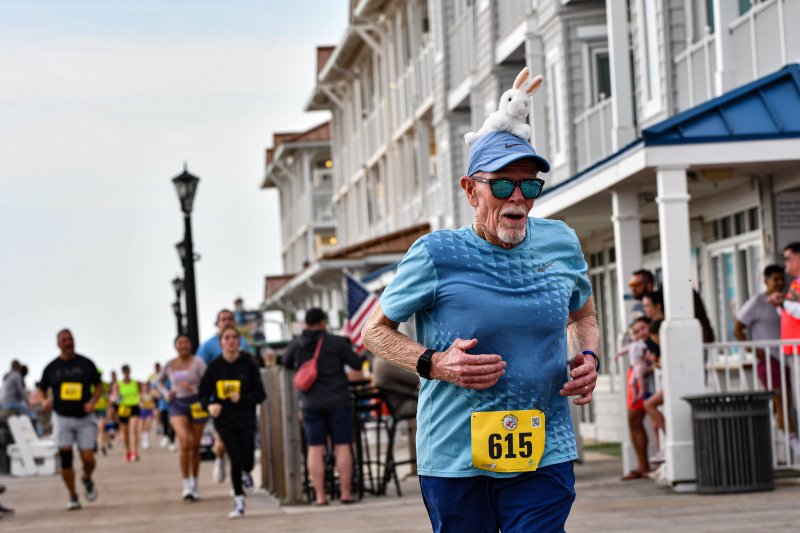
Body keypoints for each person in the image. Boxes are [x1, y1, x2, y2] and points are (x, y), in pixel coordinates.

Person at [362, 128, 599, 532]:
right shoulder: (437, 253)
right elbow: (374, 331)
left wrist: (588, 357)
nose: (518, 197)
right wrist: (434, 363)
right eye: (503, 184)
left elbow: (583, 317)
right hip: (456, 455)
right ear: (471, 191)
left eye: (530, 185)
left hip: (545, 448)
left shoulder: (561, 242)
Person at [282, 308, 363, 505]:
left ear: (306, 323)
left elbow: (284, 362)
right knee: (342, 445)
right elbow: (356, 364)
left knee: (315, 448)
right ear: (322, 322)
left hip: (311, 403)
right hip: (338, 400)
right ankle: (345, 493)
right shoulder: (335, 342)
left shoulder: (297, 344)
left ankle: (320, 496)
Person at [198, 325, 266, 519]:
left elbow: (260, 394)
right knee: (235, 459)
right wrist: (209, 407)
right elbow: (202, 394)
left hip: (245, 419)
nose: (231, 341)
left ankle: (247, 473)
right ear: (221, 343)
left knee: (248, 461)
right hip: (224, 421)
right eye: (227, 338)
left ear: (239, 341)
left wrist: (242, 397)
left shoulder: (248, 365)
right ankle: (239, 502)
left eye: (234, 337)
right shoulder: (214, 367)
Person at [38, 329, 102, 510]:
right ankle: (73, 495)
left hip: (84, 417)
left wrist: (93, 401)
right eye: (64, 340)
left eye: (70, 339)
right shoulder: (51, 368)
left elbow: (98, 385)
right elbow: (42, 388)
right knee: (65, 458)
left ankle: (87, 478)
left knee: (88, 458)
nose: (68, 343)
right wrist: (44, 401)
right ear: (58, 344)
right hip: (62, 417)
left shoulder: (86, 363)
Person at [196, 309, 250, 484]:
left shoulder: (244, 343)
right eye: (223, 319)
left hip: (240, 400)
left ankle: (242, 474)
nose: (227, 322)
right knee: (221, 442)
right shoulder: (208, 346)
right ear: (217, 323)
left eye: (230, 318)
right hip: (218, 401)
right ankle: (220, 458)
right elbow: (199, 371)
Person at [158, 334, 208, 501]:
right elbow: (158, 382)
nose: (183, 345)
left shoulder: (199, 363)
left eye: (186, 342)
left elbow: (208, 381)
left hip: (196, 404)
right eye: (180, 343)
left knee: (195, 445)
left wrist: (197, 388)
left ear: (191, 345)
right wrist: (166, 393)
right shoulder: (170, 365)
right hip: (177, 404)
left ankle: (195, 481)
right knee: (185, 442)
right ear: (175, 346)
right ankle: (185, 483)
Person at [2, 359, 43, 435]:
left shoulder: (7, 376)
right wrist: (29, 404)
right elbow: (21, 392)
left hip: (4, 402)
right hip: (13, 402)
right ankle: (40, 435)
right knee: (34, 415)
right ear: (18, 367)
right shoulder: (17, 375)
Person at [117, 364, 142, 463]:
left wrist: (142, 400)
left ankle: (134, 451)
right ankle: (127, 451)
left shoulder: (136, 383)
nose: (126, 374)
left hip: (134, 407)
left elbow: (140, 393)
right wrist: (116, 399)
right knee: (125, 433)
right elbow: (116, 396)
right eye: (125, 372)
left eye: (128, 372)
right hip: (123, 408)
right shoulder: (119, 384)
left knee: (133, 430)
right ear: (123, 373)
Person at [781, 242, 800, 355]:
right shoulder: (795, 281)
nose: (785, 262)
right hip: (794, 349)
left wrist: (786, 303)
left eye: (787, 258)